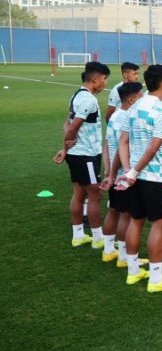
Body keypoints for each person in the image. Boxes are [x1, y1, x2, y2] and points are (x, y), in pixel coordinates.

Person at [116, 64, 162, 292]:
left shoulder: (133, 107)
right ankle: (156, 279)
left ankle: (133, 272)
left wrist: (128, 171)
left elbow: (123, 142)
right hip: (154, 176)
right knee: (159, 224)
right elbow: (154, 148)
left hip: (134, 177)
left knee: (136, 220)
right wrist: (134, 171)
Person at [61, 61, 111, 248]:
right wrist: (68, 142)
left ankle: (78, 235)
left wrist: (66, 148)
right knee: (95, 195)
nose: (105, 83)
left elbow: (66, 122)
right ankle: (98, 239)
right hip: (86, 154)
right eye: (104, 79)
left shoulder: (76, 95)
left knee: (79, 193)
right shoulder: (89, 100)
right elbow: (73, 126)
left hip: (77, 154)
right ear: (95, 79)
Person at [100, 81, 145, 266]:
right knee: (126, 215)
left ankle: (109, 250)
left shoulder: (115, 116)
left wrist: (107, 170)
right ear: (132, 98)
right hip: (121, 176)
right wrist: (113, 174)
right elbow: (120, 148)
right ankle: (124, 256)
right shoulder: (126, 117)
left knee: (113, 211)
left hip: (113, 172)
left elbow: (106, 145)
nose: (143, 98)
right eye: (141, 95)